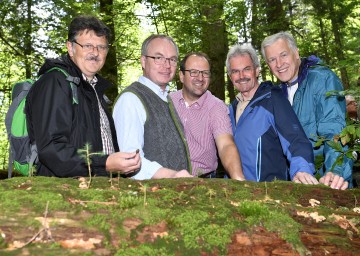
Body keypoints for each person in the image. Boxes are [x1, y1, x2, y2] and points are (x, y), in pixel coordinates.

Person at [25, 15, 141, 177]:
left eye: (101, 47)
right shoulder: (55, 82)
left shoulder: (94, 89)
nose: (95, 53)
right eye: (87, 46)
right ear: (70, 48)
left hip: (96, 190)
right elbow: (51, 148)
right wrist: (105, 163)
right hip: (62, 191)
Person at [261, 31, 351, 190]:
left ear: (296, 53)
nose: (279, 63)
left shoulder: (322, 79)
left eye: (283, 55)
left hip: (327, 179)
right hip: (297, 184)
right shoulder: (276, 95)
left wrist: (335, 170)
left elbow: (334, 128)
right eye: (272, 60)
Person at [226, 43, 317, 184]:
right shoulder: (230, 109)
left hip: (268, 194)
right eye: (235, 71)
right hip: (236, 193)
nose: (241, 76)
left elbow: (295, 139)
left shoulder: (273, 99)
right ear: (230, 76)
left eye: (247, 69)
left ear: (257, 71)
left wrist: (302, 170)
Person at [113, 34, 193, 180]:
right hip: (148, 197)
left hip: (172, 195)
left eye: (172, 59)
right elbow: (130, 160)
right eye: (158, 58)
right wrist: (173, 175)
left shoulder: (165, 98)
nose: (167, 65)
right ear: (143, 61)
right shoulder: (131, 99)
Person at [169, 52, 245, 180]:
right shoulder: (168, 102)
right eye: (193, 72)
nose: (200, 78)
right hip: (167, 179)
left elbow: (226, 145)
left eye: (205, 73)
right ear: (181, 76)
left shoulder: (216, 107)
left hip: (203, 181)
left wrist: (238, 178)